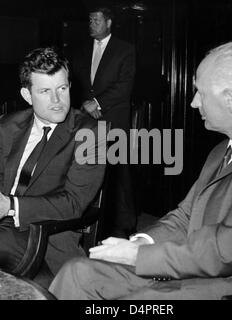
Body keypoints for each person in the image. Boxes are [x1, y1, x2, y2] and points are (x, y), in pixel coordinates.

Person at [49, 41, 232, 299]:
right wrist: (142, 241)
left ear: (230, 101)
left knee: (143, 302)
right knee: (79, 272)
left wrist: (136, 256)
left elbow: (225, 253)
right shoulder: (223, 150)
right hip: (202, 268)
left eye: (199, 93)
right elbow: (186, 215)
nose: (193, 103)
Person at [0, 47, 105, 276]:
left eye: (62, 88)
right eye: (45, 91)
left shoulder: (89, 133)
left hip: (39, 232)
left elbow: (73, 203)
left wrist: (10, 206)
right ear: (27, 96)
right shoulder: (7, 125)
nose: (57, 100)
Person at [71, 6, 137, 238]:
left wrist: (97, 103)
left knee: (118, 172)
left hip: (114, 119)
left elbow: (124, 86)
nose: (92, 24)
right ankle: (90, 224)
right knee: (88, 169)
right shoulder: (80, 50)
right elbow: (76, 84)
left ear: (108, 23)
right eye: (90, 20)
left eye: (96, 20)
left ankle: (125, 225)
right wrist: (86, 105)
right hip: (87, 120)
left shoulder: (125, 50)